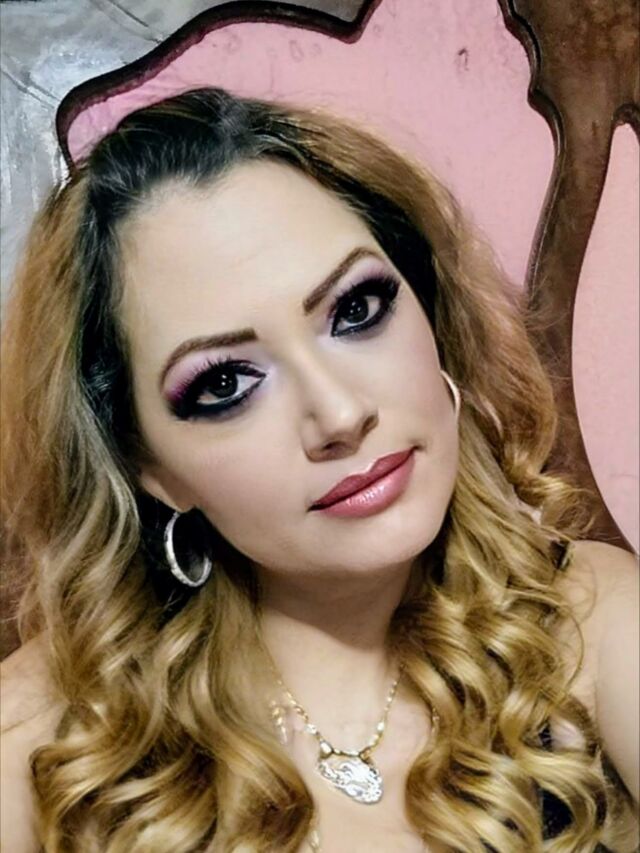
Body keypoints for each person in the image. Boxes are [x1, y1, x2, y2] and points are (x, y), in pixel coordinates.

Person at [0, 86, 637, 853]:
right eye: (225, 382)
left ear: (431, 316)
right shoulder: (54, 741)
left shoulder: (592, 623)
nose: (339, 413)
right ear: (150, 466)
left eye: (356, 310)